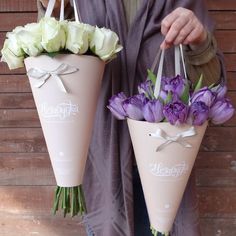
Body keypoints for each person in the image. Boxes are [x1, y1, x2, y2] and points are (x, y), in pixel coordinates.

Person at [37, 1, 225, 236]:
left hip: (166, 160)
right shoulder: (78, 3)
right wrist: (50, 9)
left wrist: (199, 43)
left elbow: (210, 87)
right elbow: (53, 67)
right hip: (103, 158)